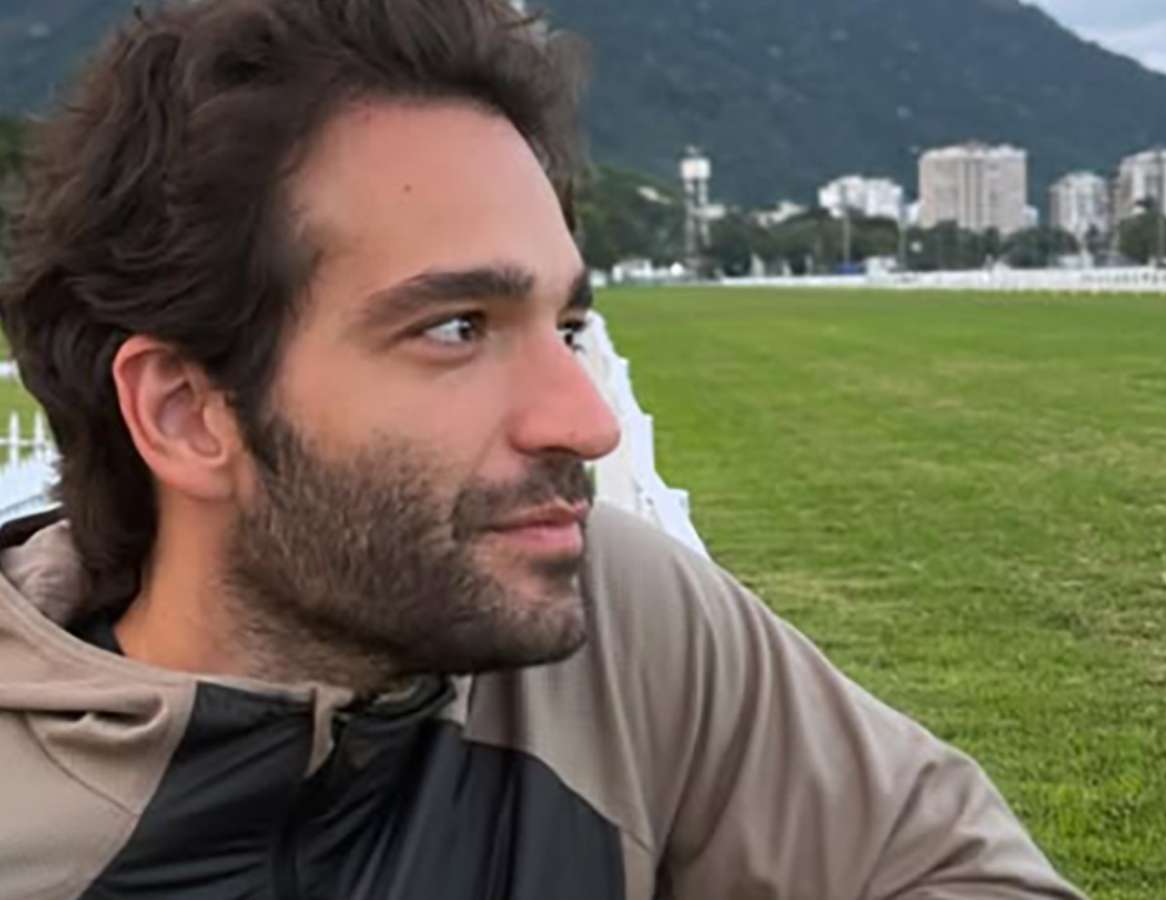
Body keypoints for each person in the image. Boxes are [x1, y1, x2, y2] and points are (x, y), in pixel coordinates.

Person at [0, 1, 1085, 897]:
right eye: (456, 328)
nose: (587, 422)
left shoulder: (611, 623)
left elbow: (959, 871)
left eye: (564, 327)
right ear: (187, 413)